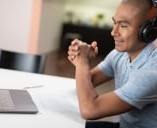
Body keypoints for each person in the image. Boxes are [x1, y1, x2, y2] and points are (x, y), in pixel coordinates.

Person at [67, 0, 157, 128]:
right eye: (115, 23)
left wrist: (82, 63)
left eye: (124, 25)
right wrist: (81, 57)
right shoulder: (120, 54)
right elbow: (90, 80)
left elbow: (89, 110)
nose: (113, 32)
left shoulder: (152, 72)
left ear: (149, 31)